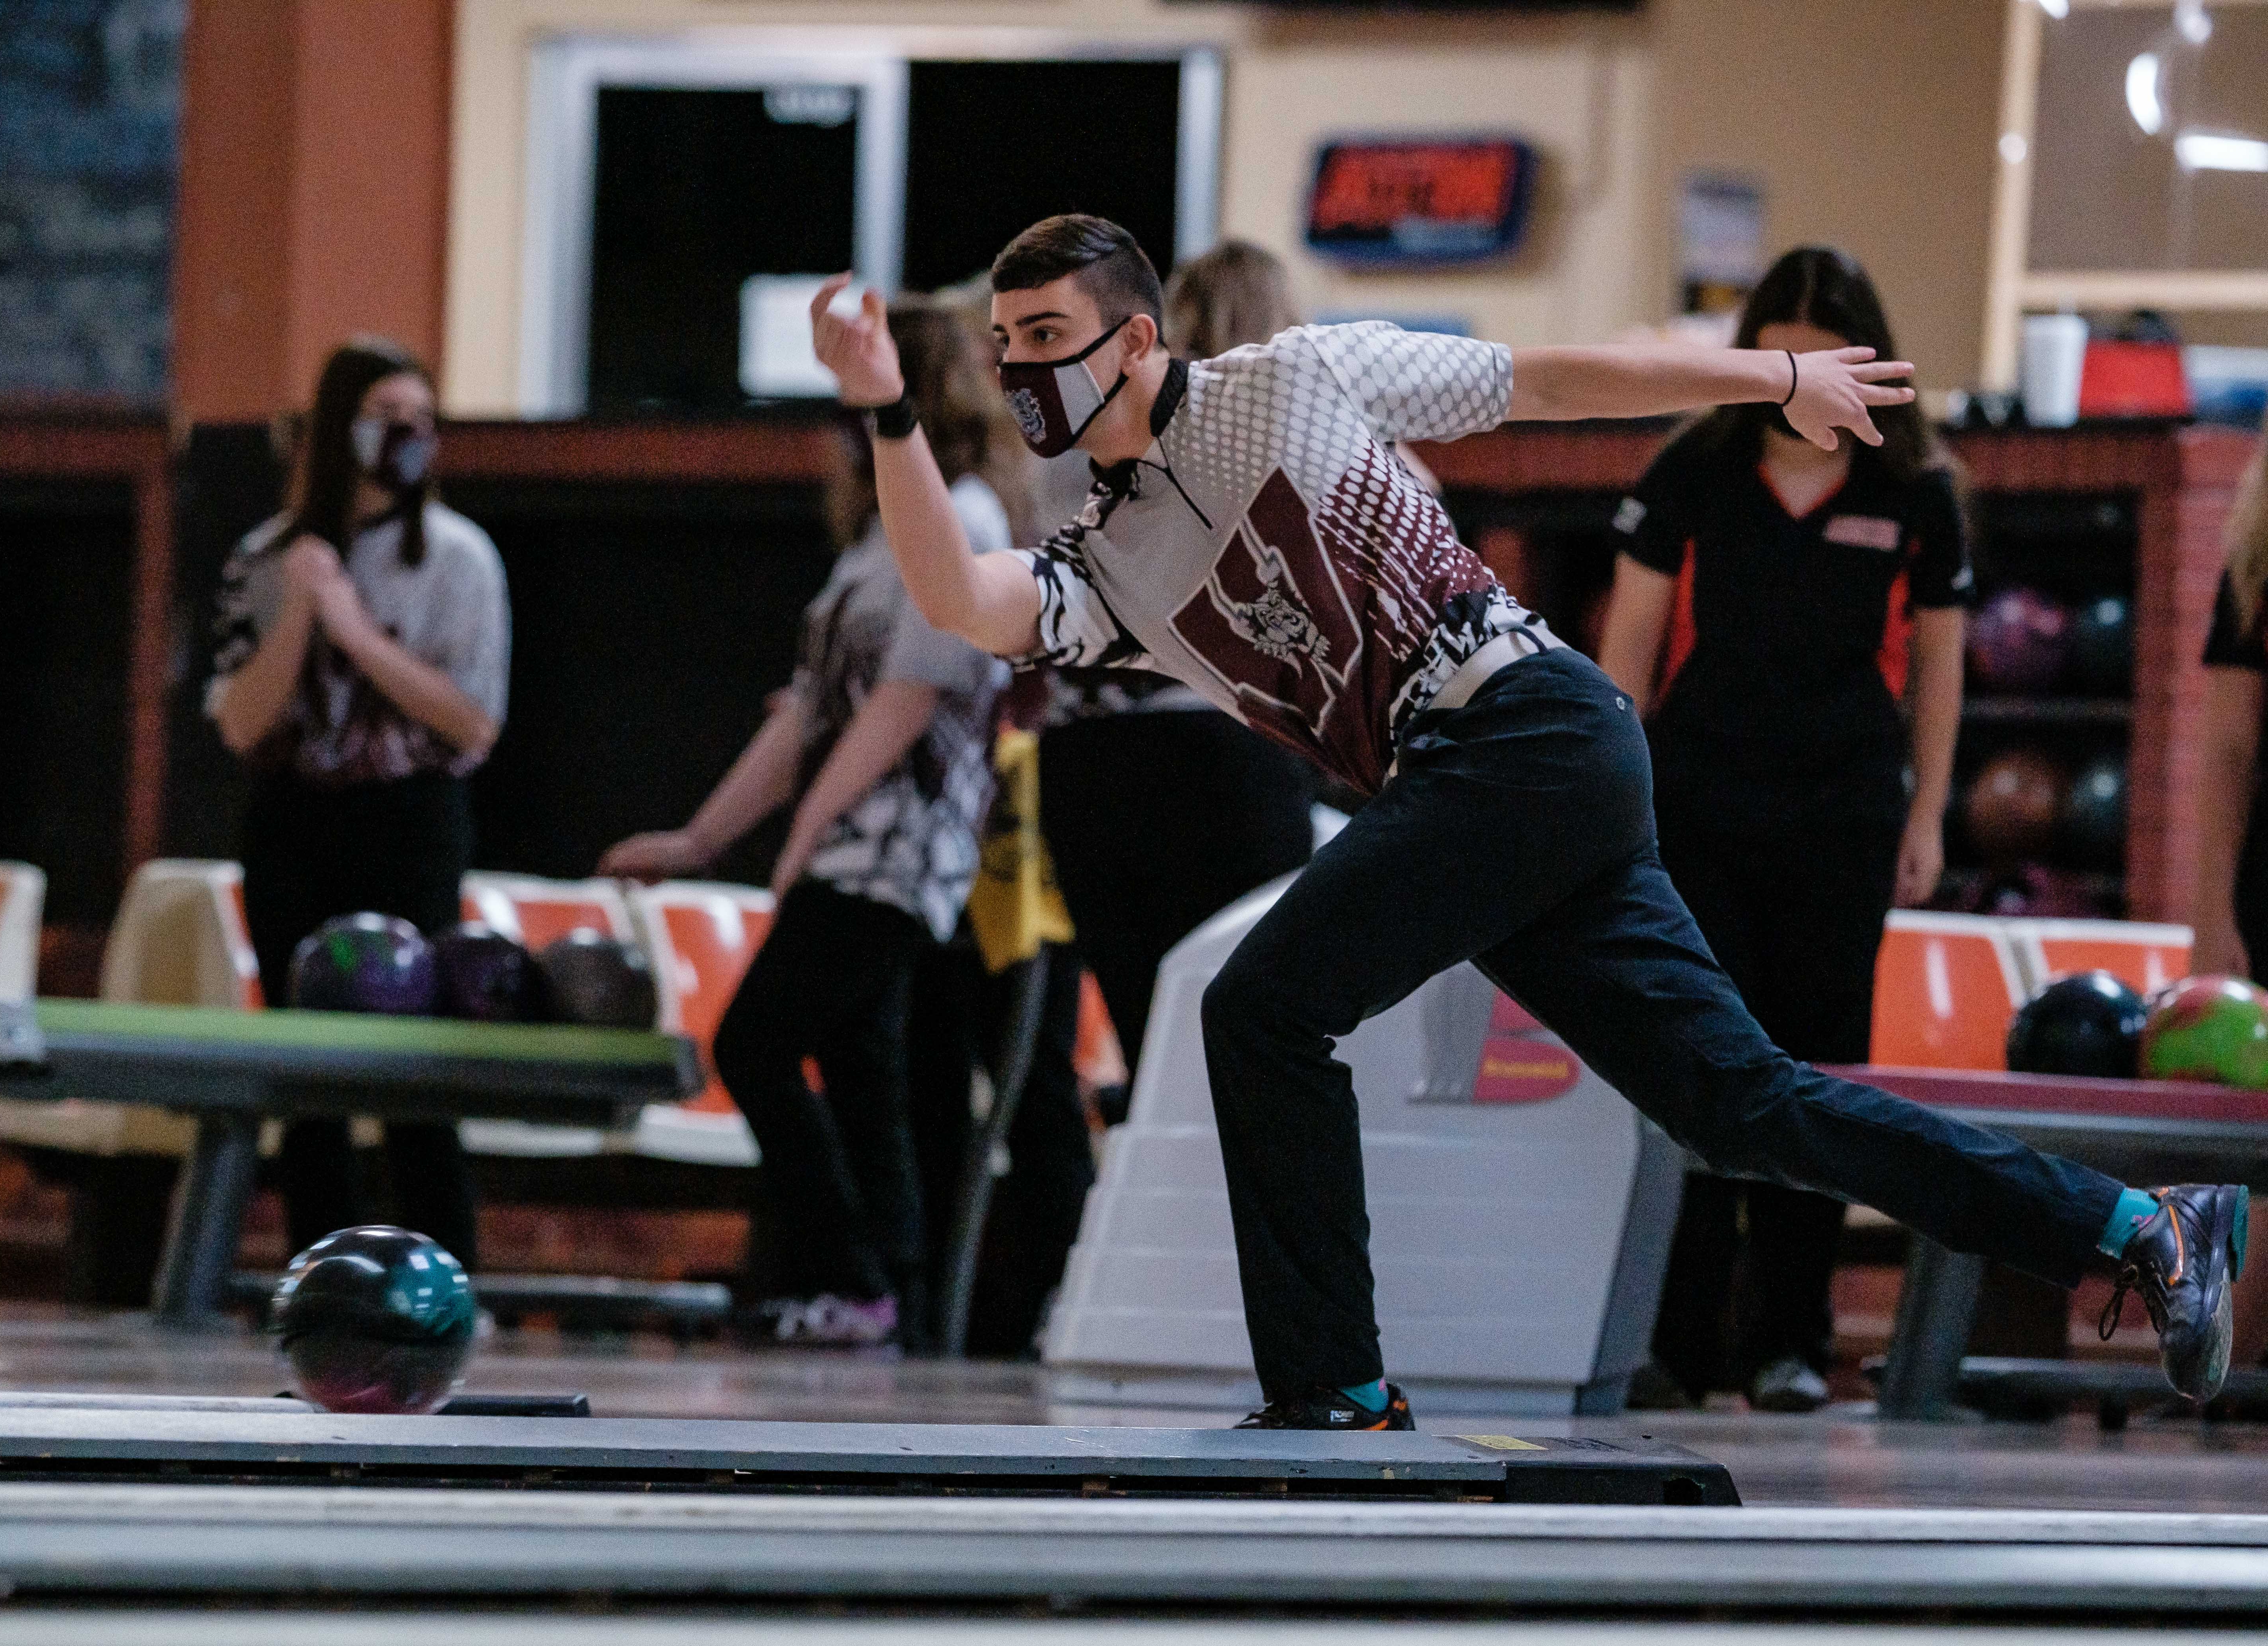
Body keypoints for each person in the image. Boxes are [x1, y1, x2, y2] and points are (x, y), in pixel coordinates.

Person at [807, 212, 2246, 1426]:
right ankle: (2135, 1227)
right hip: (1494, 783)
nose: (1026, 372)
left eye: (1048, 339)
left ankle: (1336, 1398)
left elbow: (1549, 378)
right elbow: (961, 600)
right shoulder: (1113, 559)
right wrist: (888, 410)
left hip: (1528, 733)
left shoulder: (1291, 377)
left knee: (1261, 1014)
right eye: (1006, 351)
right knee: (1739, 1107)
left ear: (1133, 338)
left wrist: (1773, 373)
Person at [1595, 247, 1968, 1413]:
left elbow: (1941, 672)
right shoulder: (1692, 470)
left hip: (1843, 815)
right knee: (1699, 1064)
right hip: (1698, 809)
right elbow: (1628, 648)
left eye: (1829, 354)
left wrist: (1930, 815)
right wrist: (1612, 798)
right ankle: (1679, 1340)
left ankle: (1792, 1344)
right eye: (1784, 355)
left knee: (1820, 1070)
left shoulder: (1917, 492)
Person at [601, 298, 1011, 1350]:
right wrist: (697, 841)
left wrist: (803, 834)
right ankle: (895, 1301)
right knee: (861, 1067)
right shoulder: (879, 538)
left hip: (900, 846)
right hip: (857, 843)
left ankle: (856, 1275)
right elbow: (806, 711)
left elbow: (911, 694)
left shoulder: (960, 517)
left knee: (759, 1041)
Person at [207, 336, 508, 1271]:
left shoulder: (459, 558)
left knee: (413, 1059)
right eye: (388, 418)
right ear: (340, 429)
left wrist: (355, 630)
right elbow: (238, 722)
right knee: (309, 1070)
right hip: (293, 818)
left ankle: (445, 1269)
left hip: (408, 819)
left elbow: (472, 724)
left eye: (424, 422)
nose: (409, 439)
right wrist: (303, 610)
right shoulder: (263, 558)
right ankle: (323, 1273)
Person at [1038, 239, 1316, 1079]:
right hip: (1232, 745)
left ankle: (1159, 1200)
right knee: (1259, 1037)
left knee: (1148, 1035)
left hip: (1092, 750)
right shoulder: (1310, 433)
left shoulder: (1085, 437)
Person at [2190, 415, 2268, 1364]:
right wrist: (2211, 921)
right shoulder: (2255, 569)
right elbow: (2227, 754)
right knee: (2261, 1159)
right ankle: (2239, 1370)